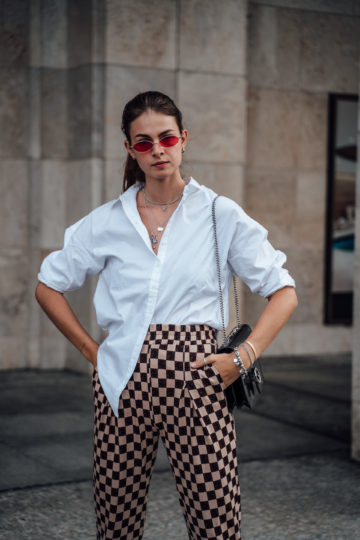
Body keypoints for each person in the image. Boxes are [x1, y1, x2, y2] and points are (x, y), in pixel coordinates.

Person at [35, 91, 297, 540]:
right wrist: (93, 353)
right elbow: (48, 284)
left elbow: (283, 291)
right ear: (130, 149)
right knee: (116, 521)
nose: (157, 149)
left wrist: (242, 359)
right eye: (143, 142)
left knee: (215, 520)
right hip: (120, 381)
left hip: (199, 376)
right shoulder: (106, 221)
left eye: (166, 138)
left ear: (183, 140)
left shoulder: (218, 213)